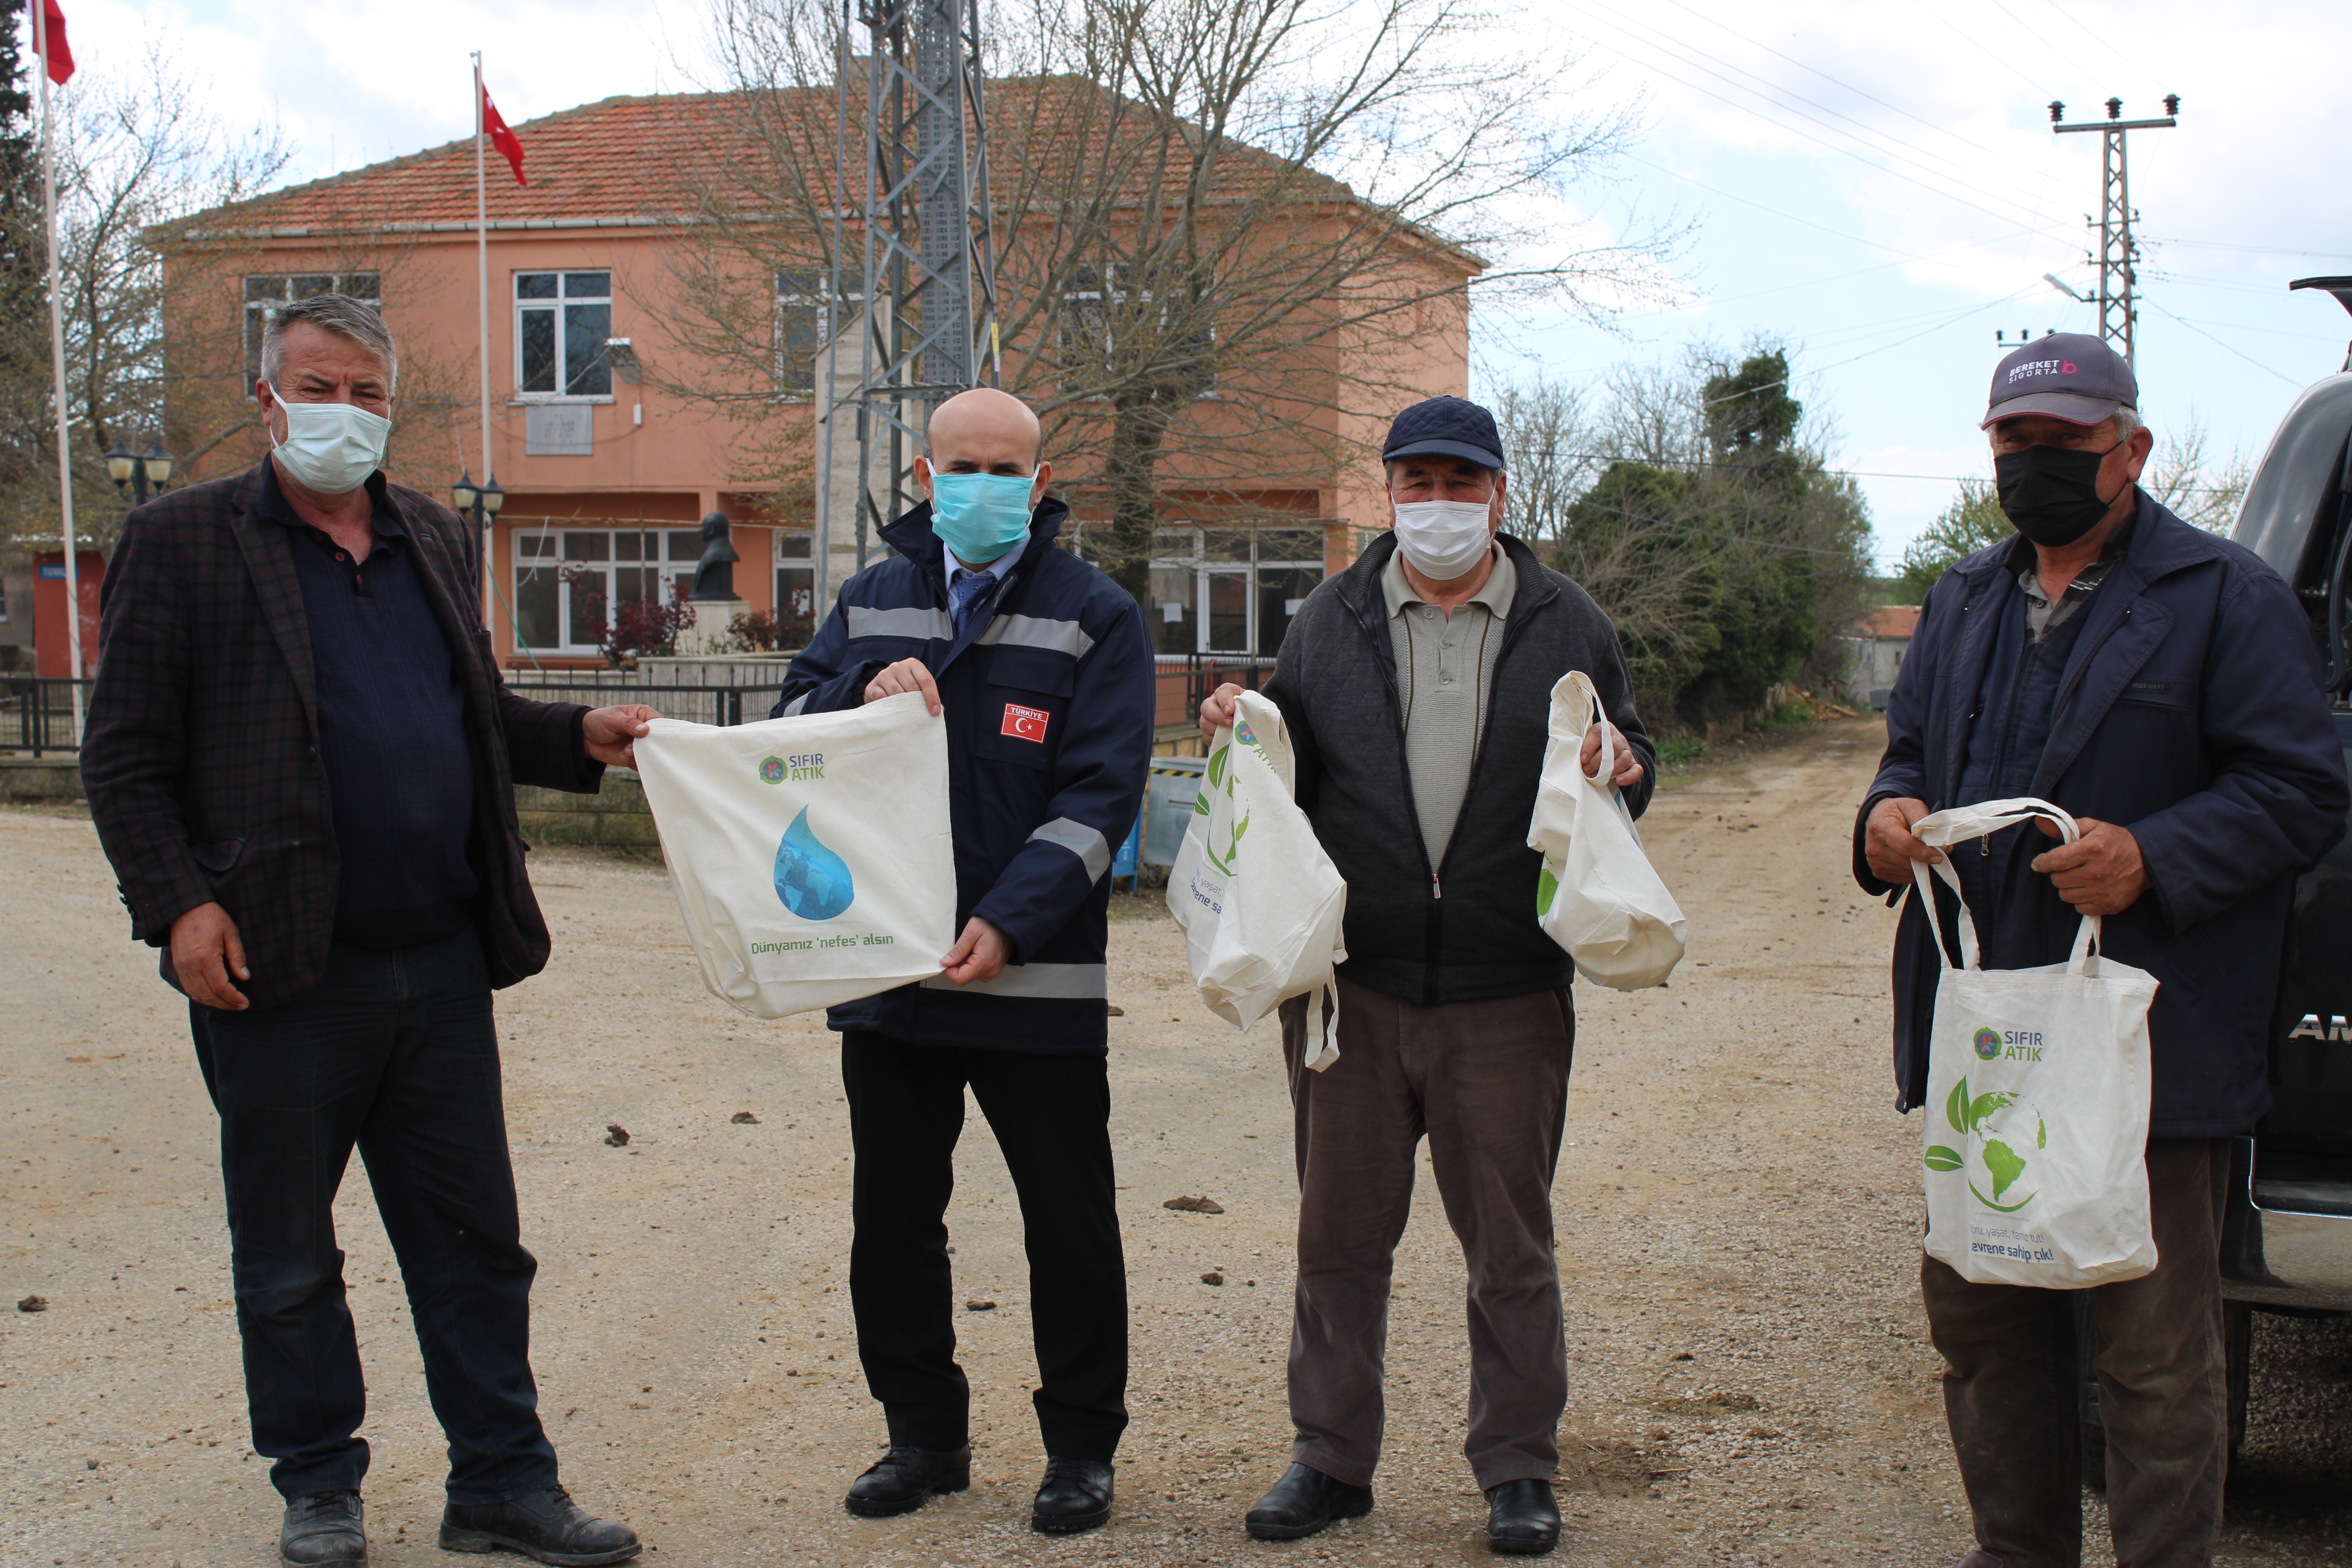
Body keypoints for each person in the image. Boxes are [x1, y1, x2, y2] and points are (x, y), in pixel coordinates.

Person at [80, 294, 652, 1568]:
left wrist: (577, 738)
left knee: (475, 1242)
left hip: (440, 954)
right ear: (268, 397)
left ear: (393, 406)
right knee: (287, 1244)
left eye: (367, 392)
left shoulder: (432, 537)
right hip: (280, 965)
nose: (343, 410)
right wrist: (178, 902)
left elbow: (471, 712)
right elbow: (121, 758)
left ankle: (502, 1478)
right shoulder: (182, 541)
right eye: (317, 386)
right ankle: (317, 1480)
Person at [1855, 334, 2348, 1568]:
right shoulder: (1967, 597)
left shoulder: (2228, 596)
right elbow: (1909, 753)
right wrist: (1883, 820)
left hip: (2146, 1036)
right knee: (1985, 1318)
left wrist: (2157, 856)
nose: (2036, 465)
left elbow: (2301, 785)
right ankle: (2016, 1552)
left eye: (2066, 444)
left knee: (2153, 1348)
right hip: (1989, 1029)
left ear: (2131, 449)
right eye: (2014, 442)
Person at [1200, 395, 1655, 1557]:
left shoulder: (1568, 621)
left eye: (1462, 482)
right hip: (1352, 986)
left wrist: (1624, 757)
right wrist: (1233, 725)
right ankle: (1330, 1458)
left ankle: (1517, 1467)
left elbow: (1629, 764)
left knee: (1510, 1244)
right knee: (1337, 1240)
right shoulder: (1330, 618)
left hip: (1508, 988)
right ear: (1388, 491)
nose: (1438, 503)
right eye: (1418, 481)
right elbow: (1282, 766)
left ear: (1501, 495)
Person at [775, 386, 1155, 1534]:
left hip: (1032, 980)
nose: (982, 483)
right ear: (926, 474)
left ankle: (1080, 1449)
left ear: (1037, 485)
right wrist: (859, 688)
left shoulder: (1097, 614)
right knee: (893, 1217)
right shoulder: (870, 598)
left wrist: (1012, 918)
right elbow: (790, 726)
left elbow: (1101, 796)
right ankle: (923, 1434)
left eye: (1005, 467)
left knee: (1069, 1221)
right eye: (961, 465)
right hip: (889, 978)